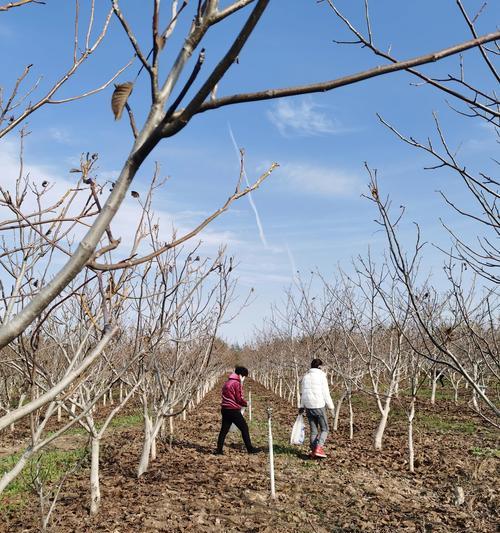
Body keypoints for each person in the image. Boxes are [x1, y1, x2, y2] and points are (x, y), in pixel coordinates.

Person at [215, 366, 258, 455]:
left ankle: (219, 450)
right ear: (240, 375)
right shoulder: (236, 383)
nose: (244, 378)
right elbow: (238, 399)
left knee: (224, 430)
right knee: (244, 428)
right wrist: (246, 403)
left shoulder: (227, 382)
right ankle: (250, 449)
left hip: (225, 409)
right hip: (233, 410)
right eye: (244, 376)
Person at [299, 358, 335, 458]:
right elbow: (325, 393)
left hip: (308, 406)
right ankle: (319, 447)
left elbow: (303, 392)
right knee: (325, 429)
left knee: (314, 430)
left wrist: (302, 406)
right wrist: (331, 406)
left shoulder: (305, 377)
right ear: (320, 367)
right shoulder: (321, 376)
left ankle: (314, 451)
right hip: (318, 405)